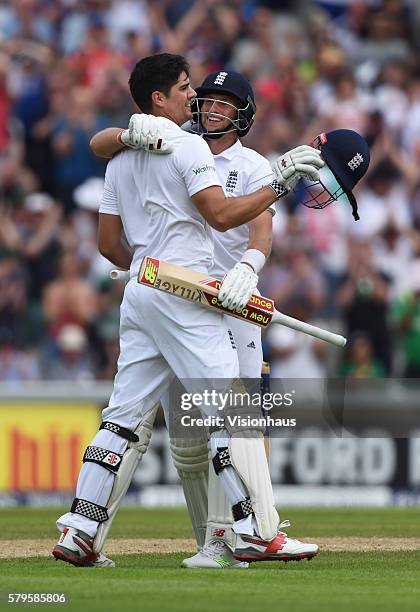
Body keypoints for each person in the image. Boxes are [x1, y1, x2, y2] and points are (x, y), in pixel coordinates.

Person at [51, 52, 325, 568]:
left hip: (140, 291)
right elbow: (221, 216)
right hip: (184, 293)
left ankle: (80, 530)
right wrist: (280, 181)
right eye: (183, 88)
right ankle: (256, 531)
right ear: (158, 98)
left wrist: (148, 263)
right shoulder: (190, 146)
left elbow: (109, 242)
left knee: (122, 419)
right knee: (232, 407)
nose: (191, 96)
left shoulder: (122, 156)